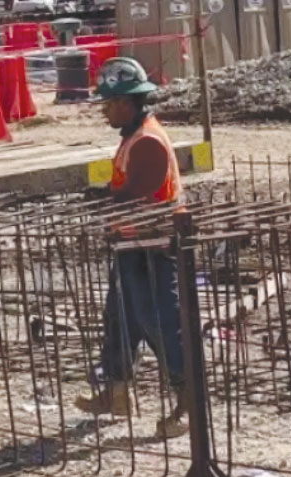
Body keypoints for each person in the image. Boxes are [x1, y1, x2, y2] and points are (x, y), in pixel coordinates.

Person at [74, 57, 187, 440]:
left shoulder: (148, 142)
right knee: (120, 319)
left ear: (126, 102)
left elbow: (138, 195)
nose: (104, 110)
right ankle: (116, 393)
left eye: (109, 103)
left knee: (161, 323)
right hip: (132, 243)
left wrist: (103, 200)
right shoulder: (133, 136)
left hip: (152, 247)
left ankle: (188, 403)